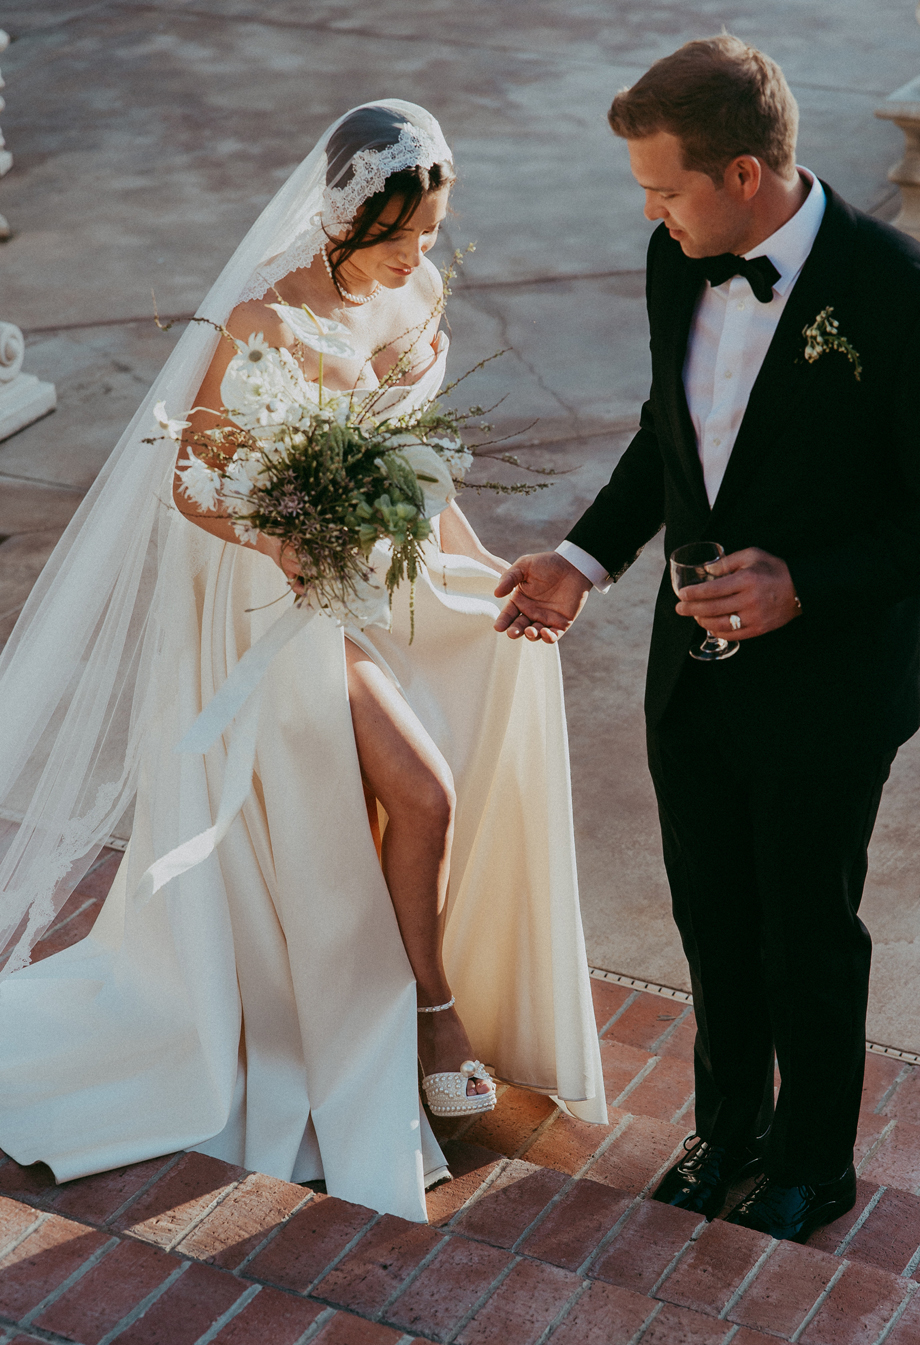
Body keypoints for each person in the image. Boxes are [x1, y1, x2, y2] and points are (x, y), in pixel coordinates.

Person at [0, 101, 605, 1224]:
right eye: (396, 233)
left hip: (383, 579)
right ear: (341, 215)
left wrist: (478, 568)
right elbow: (192, 483)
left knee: (460, 727)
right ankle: (429, 1019)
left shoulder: (416, 295)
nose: (416, 254)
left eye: (430, 232)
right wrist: (287, 543)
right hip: (275, 601)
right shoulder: (265, 319)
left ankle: (402, 997)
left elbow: (418, 465)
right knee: (421, 790)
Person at [494, 36, 920, 1244]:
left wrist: (802, 587)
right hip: (689, 670)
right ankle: (726, 1131)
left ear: (741, 174)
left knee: (804, 930)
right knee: (713, 918)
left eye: (662, 187)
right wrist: (582, 559)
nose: (648, 211)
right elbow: (666, 435)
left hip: (830, 679)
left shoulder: (894, 290)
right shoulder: (672, 259)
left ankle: (810, 1164)